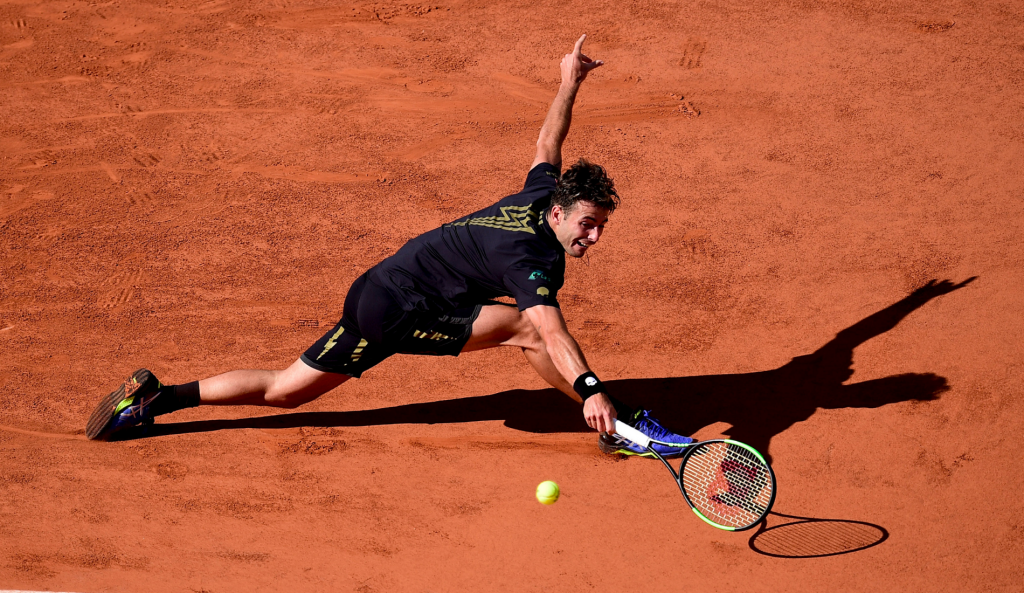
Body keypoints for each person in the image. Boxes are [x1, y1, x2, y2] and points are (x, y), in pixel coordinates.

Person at [85, 34, 692, 457]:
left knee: (284, 391)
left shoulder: (540, 195)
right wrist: (592, 390)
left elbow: (546, 144)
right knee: (528, 330)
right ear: (558, 213)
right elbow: (552, 332)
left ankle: (156, 399)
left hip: (377, 288)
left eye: (601, 227)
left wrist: (568, 80)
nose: (593, 236)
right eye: (586, 223)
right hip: (401, 310)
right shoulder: (529, 256)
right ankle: (622, 429)